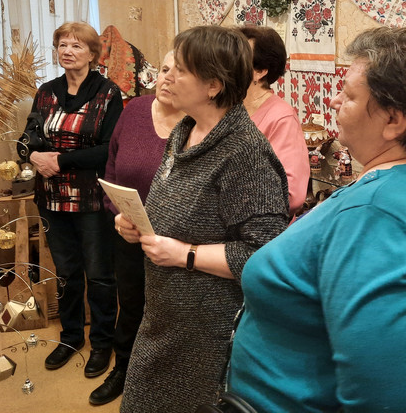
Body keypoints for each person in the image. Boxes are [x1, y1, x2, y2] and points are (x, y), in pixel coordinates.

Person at [228, 27, 406, 412]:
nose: (335, 100)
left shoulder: (374, 215)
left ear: (393, 120)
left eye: (349, 95)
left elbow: (386, 398)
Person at [116, 26, 289, 413]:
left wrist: (185, 255)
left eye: (181, 70)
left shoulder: (245, 153)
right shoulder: (185, 131)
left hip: (208, 332)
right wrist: (137, 226)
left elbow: (264, 255)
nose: (167, 77)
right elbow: (177, 212)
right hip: (165, 316)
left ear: (213, 85)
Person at [27, 21, 123, 379]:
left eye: (77, 46)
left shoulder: (108, 93)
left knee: (99, 275)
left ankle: (102, 343)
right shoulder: (46, 92)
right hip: (50, 197)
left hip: (92, 199)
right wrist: (32, 156)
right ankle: (70, 338)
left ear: (93, 54)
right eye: (62, 45)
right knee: (65, 273)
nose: (67, 51)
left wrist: (60, 161)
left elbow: (108, 149)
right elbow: (29, 137)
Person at [88, 51, 183, 406]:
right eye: (164, 69)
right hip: (130, 234)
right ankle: (123, 371)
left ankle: (164, 382)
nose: (167, 77)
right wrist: (117, 215)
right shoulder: (136, 110)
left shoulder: (197, 123)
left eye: (178, 72)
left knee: (169, 313)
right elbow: (112, 167)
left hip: (177, 242)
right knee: (129, 305)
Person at [238, 26, 309, 214]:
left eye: (238, 57)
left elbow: (292, 196)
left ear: (260, 71)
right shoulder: (227, 108)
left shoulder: (282, 117)